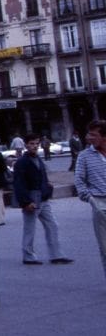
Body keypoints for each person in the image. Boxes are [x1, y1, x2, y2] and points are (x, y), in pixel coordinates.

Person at [13, 133, 73, 265]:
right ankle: (28, 256)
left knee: (52, 225)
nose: (35, 146)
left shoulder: (38, 159)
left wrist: (48, 187)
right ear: (26, 145)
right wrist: (26, 202)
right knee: (30, 229)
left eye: (36, 143)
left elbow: (42, 177)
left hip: (43, 197)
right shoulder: (21, 162)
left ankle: (56, 255)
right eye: (32, 144)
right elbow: (19, 184)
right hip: (31, 198)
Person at [73, 119, 106, 282]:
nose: (88, 137)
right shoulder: (84, 156)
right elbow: (79, 180)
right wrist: (91, 200)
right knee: (105, 247)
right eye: (88, 134)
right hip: (99, 202)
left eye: (93, 135)